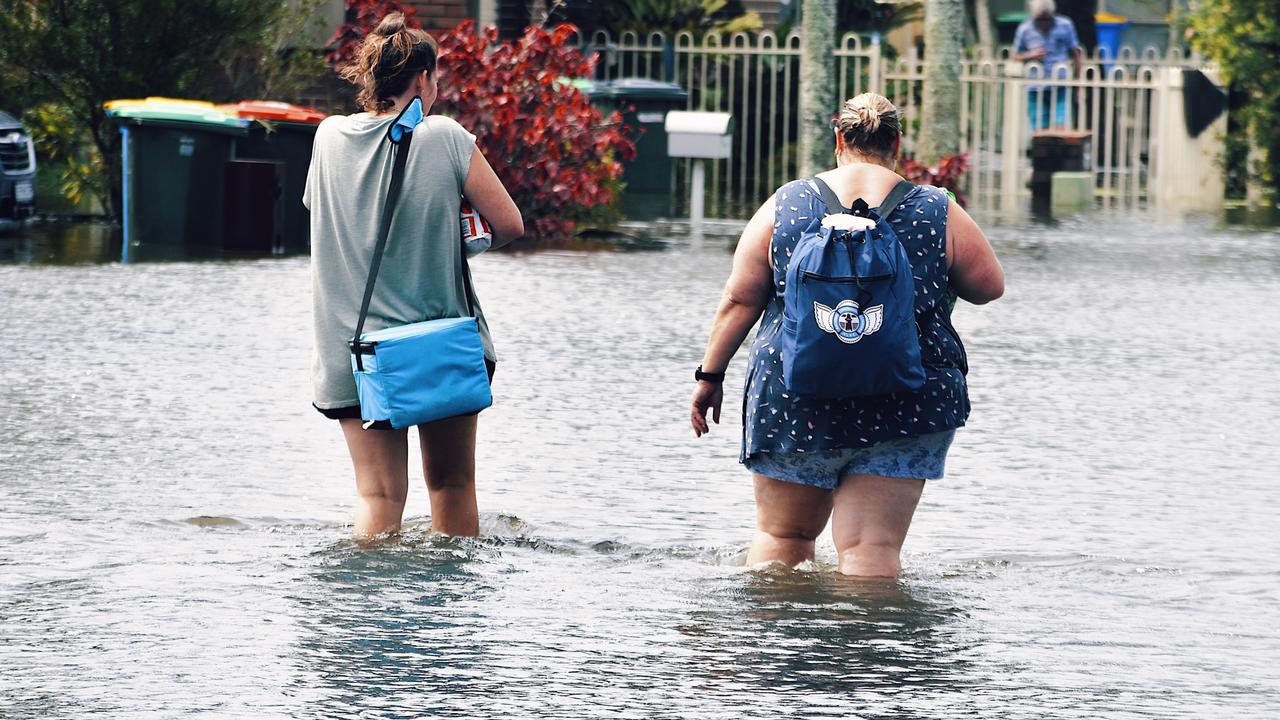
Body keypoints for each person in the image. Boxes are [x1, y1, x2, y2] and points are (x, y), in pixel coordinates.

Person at [689, 93, 1004, 577]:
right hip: (907, 396)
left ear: (838, 137)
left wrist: (710, 375)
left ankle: (778, 645)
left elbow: (740, 298)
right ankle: (868, 646)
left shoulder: (788, 203)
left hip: (795, 394)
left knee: (782, 538)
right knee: (871, 547)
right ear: (896, 142)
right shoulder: (935, 209)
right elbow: (988, 287)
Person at [303, 13, 523, 538]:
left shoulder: (328, 137)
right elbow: (510, 224)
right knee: (450, 487)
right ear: (423, 78)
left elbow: (331, 219)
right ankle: (444, 613)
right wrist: (460, 235)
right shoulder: (444, 136)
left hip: (353, 353)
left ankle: (367, 609)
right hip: (433, 345)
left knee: (376, 495)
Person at [1013, 0, 1083, 129]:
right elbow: (1015, 56)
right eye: (1040, 20)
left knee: (1061, 124)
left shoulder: (1065, 25)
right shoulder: (1024, 29)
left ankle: (1058, 148)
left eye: (1047, 19)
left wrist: (1079, 86)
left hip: (1060, 82)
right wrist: (1030, 55)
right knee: (1039, 128)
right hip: (1035, 85)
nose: (1044, 23)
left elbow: (1076, 54)